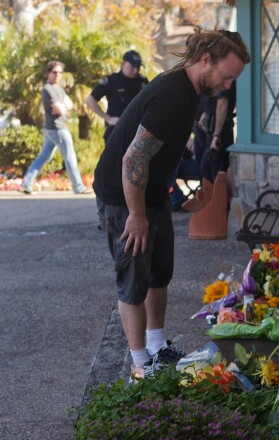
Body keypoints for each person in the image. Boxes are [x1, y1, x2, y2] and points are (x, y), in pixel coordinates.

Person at [93, 28, 251, 382]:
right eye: (226, 76)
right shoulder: (172, 94)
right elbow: (132, 159)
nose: (227, 85)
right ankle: (140, 365)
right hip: (123, 197)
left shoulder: (190, 86)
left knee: (159, 271)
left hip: (150, 191)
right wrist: (136, 216)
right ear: (205, 60)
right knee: (133, 279)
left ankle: (157, 346)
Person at [19, 61, 92, 195]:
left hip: (53, 129)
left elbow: (69, 105)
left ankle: (26, 183)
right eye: (54, 72)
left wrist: (63, 107)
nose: (57, 75)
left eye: (60, 72)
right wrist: (62, 108)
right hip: (57, 128)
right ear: (48, 73)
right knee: (70, 157)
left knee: (43, 157)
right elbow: (59, 109)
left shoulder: (59, 88)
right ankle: (79, 187)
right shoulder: (47, 89)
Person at [85, 50, 149, 144]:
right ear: (123, 64)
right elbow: (90, 100)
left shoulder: (142, 81)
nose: (135, 70)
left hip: (137, 130)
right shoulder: (112, 81)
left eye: (138, 67)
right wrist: (108, 118)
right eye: (132, 66)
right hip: (116, 129)